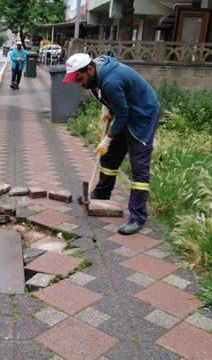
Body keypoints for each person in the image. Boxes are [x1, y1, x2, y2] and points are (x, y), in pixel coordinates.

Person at [64, 53, 160, 235]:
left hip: (142, 116)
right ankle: (101, 194)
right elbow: (111, 99)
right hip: (125, 112)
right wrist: (107, 107)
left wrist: (107, 139)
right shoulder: (95, 76)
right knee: (109, 159)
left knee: (139, 166)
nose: (79, 84)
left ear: (90, 69)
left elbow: (123, 114)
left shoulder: (111, 81)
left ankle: (137, 216)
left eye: (80, 79)